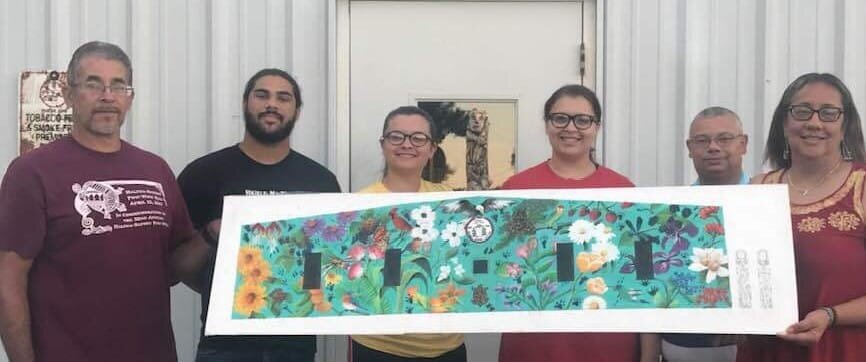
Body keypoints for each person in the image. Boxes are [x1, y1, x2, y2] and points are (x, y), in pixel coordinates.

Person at [0, 41, 209, 362]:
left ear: (130, 97)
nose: (107, 96)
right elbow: (8, 278)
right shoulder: (32, 171)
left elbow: (175, 263)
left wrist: (215, 233)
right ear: (69, 95)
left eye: (118, 85)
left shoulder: (155, 170)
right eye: (93, 84)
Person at [177, 68, 341, 362]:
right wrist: (212, 242)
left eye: (283, 98)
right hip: (223, 347)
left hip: (296, 347)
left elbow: (332, 266)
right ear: (244, 103)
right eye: (262, 95)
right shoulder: (203, 174)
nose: (272, 105)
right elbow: (178, 265)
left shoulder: (321, 182)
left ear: (297, 110)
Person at [498, 84, 639, 361]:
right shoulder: (516, 189)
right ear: (547, 124)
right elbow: (501, 268)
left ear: (596, 127)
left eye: (582, 120)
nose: (571, 128)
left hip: (608, 343)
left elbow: (640, 277)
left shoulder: (623, 191)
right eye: (560, 118)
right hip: (534, 344)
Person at [737, 73, 866, 362]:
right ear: (784, 123)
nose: (814, 123)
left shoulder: (862, 186)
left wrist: (830, 316)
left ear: (845, 126)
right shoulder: (759, 187)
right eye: (802, 111)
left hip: (842, 349)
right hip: (766, 350)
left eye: (829, 113)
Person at [352, 106, 466, 362]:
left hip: (446, 347)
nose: (407, 145)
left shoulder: (451, 202)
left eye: (418, 138)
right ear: (383, 144)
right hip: (379, 346)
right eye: (397, 137)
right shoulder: (358, 205)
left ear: (432, 149)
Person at [644, 106, 748, 362]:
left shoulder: (766, 205)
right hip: (679, 350)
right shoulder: (669, 213)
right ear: (689, 149)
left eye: (724, 138)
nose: (713, 147)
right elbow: (650, 288)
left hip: (753, 351)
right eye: (702, 141)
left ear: (743, 144)